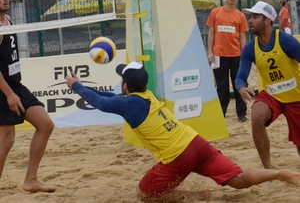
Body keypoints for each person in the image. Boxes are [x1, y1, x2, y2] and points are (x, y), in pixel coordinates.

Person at [66, 61, 300, 202]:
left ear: (126, 85)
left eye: (121, 80)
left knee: (144, 195)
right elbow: (108, 96)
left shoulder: (127, 104)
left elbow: (100, 102)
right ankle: (281, 174)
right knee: (237, 180)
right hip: (196, 142)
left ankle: (196, 197)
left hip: (177, 156)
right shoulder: (147, 96)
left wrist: (75, 86)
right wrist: (83, 86)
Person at [0, 0, 55, 193]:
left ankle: (30, 180)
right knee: (6, 141)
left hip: (15, 84)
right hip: (4, 89)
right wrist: (9, 94)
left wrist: (14, 90)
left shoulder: (9, 21)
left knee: (45, 124)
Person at [235, 1, 300, 169]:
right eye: (250, 17)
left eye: (255, 17)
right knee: (256, 116)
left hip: (296, 97)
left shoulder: (285, 41)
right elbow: (240, 76)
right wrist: (242, 87)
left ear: (267, 21)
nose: (250, 21)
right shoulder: (250, 48)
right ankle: (268, 169)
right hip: (272, 95)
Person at [206, 0, 248, 123]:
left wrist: (244, 54)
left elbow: (242, 36)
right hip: (219, 55)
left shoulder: (240, 16)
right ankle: (221, 114)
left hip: (236, 55)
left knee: (239, 85)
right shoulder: (215, 12)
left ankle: (241, 114)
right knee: (222, 87)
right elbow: (211, 32)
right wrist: (210, 51)